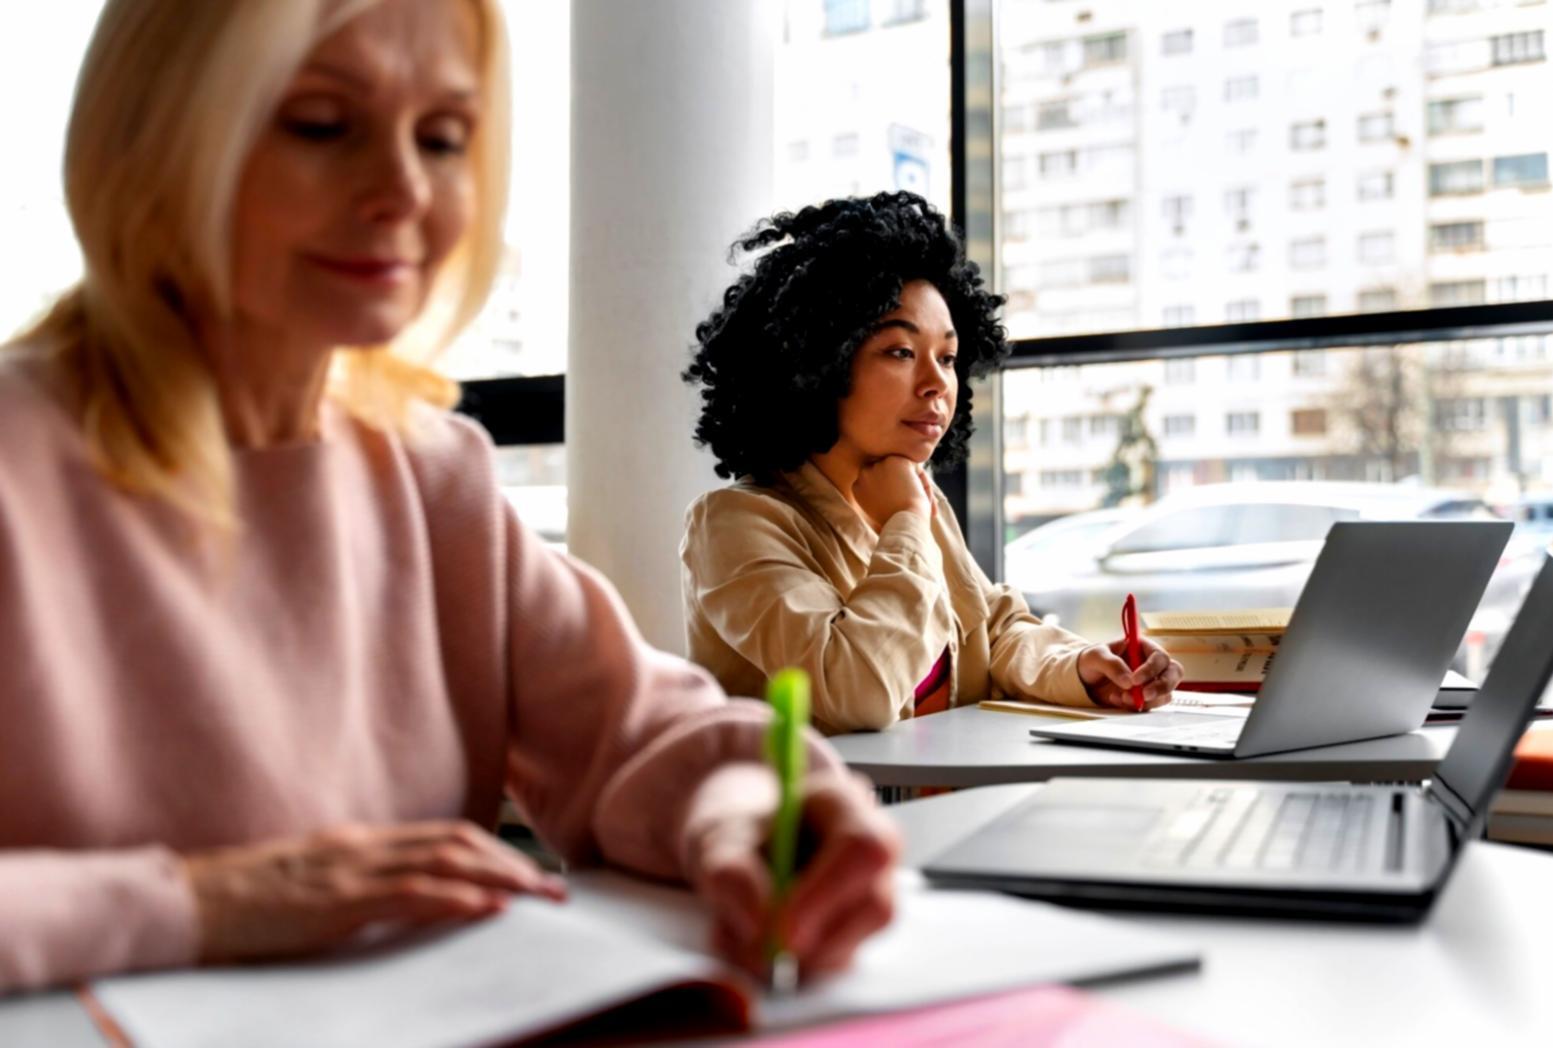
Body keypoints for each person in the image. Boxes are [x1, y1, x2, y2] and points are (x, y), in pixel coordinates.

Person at [0, 0, 897, 995]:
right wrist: (199, 903)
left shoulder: (433, 481)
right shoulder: (17, 466)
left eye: (442, 138)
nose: (402, 190)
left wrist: (742, 814)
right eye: (320, 124)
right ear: (154, 138)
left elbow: (641, 733)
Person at [681, 193, 1182, 735]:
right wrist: (905, 525)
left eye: (947, 357)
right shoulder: (735, 524)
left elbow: (991, 628)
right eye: (900, 352)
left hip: (940, 807)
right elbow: (860, 690)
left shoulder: (915, 497)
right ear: (817, 362)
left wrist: (1080, 668)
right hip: (812, 818)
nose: (938, 384)